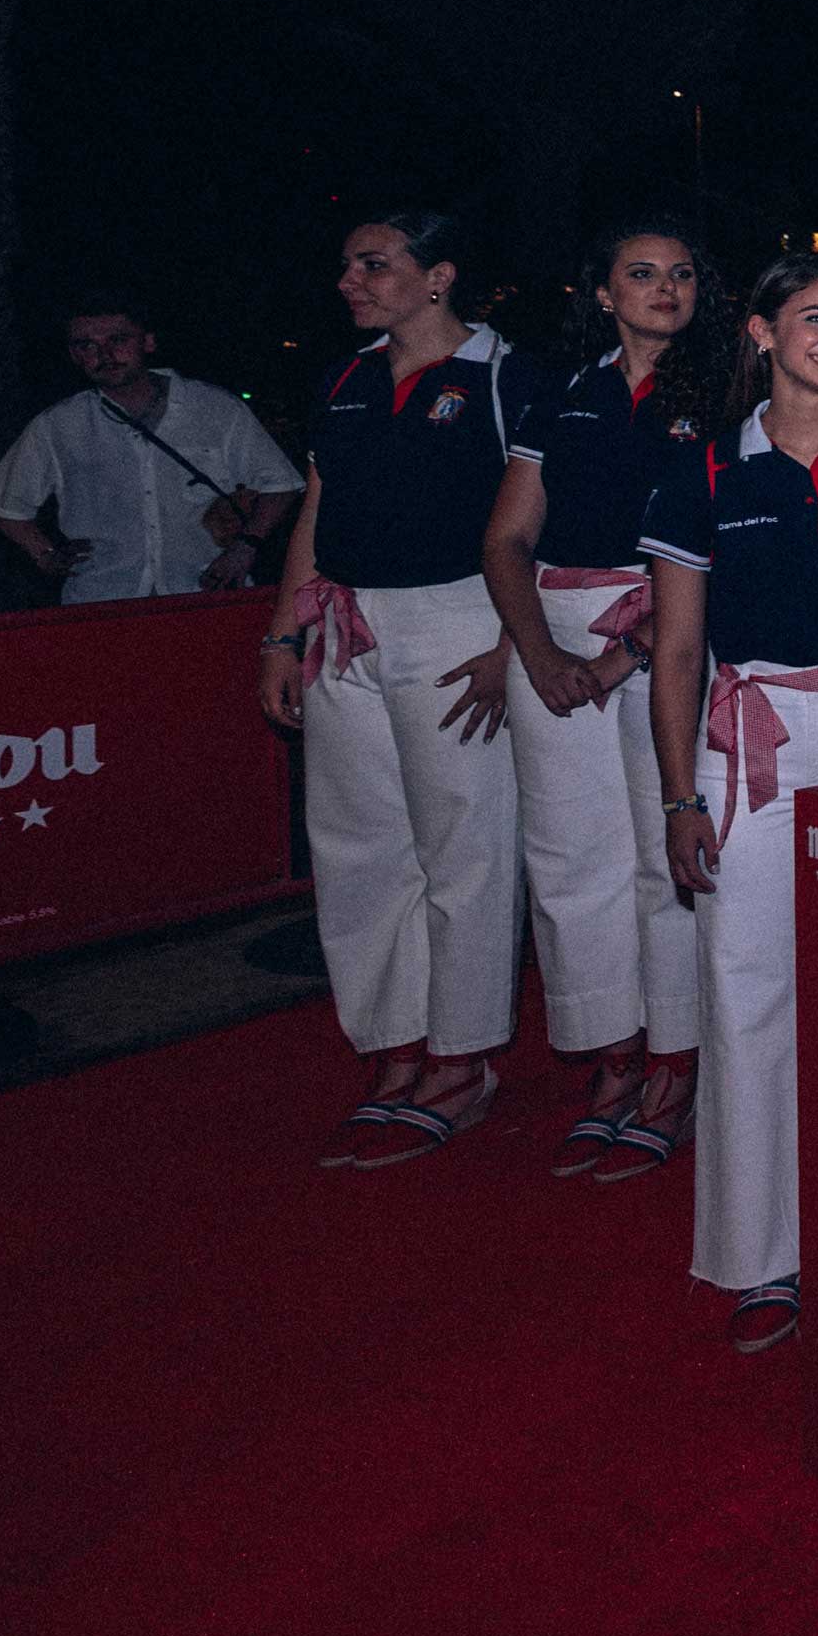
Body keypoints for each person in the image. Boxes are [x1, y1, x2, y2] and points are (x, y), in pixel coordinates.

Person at [640, 256, 818, 1354]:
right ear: (761, 333)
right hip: (752, 739)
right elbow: (677, 653)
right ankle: (763, 1252)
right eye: (816, 318)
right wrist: (679, 795)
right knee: (749, 985)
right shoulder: (706, 471)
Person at [257, 213, 527, 1168]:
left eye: (374, 264)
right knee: (360, 847)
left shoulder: (504, 376)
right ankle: (395, 1044)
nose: (351, 281)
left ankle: (462, 1058)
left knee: (465, 848)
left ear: (439, 275)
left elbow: (538, 522)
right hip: (346, 622)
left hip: (458, 619)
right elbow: (317, 506)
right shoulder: (347, 379)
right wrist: (283, 632)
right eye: (347, 265)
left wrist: (516, 643)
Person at [479, 220, 722, 1183]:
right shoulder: (564, 394)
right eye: (643, 273)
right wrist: (538, 651)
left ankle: (676, 1064)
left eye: (683, 274)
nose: (666, 288)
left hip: (671, 629)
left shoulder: (725, 393)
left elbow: (724, 542)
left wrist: (625, 654)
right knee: (569, 858)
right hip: (556, 631)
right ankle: (611, 1056)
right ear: (604, 293)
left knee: (667, 859)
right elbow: (507, 539)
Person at [0, 293, 302, 603]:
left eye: (118, 340)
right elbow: (2, 502)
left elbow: (280, 484)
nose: (104, 354)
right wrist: (44, 554)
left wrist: (245, 547)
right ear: (75, 356)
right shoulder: (59, 424)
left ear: (148, 342)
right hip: (103, 601)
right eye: (87, 345)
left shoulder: (213, 408)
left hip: (204, 592)